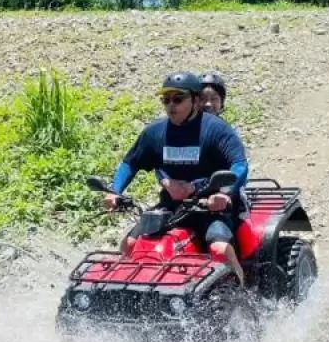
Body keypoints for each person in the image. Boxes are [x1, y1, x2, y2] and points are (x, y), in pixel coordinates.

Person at [105, 71, 249, 284]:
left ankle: (242, 294)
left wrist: (224, 194)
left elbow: (239, 164)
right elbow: (130, 163)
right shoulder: (155, 132)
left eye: (178, 99)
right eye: (166, 99)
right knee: (129, 244)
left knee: (219, 248)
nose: (171, 105)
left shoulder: (216, 130)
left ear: (196, 100)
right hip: (173, 207)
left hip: (211, 208)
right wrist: (114, 191)